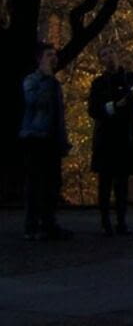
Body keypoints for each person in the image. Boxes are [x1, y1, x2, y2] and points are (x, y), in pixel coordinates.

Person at [88, 47, 133, 235]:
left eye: (111, 52)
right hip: (106, 137)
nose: (109, 57)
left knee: (122, 183)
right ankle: (105, 221)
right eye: (104, 54)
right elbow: (94, 109)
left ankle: (122, 221)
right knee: (104, 182)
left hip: (126, 136)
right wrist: (115, 106)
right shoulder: (99, 83)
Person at [19, 40, 72, 241]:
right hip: (35, 137)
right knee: (35, 182)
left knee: (52, 183)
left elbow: (58, 116)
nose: (54, 58)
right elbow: (34, 103)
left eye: (54, 55)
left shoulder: (54, 83)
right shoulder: (32, 80)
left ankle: (49, 223)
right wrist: (47, 82)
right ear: (40, 59)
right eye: (49, 55)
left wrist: (63, 139)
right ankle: (32, 225)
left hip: (52, 139)